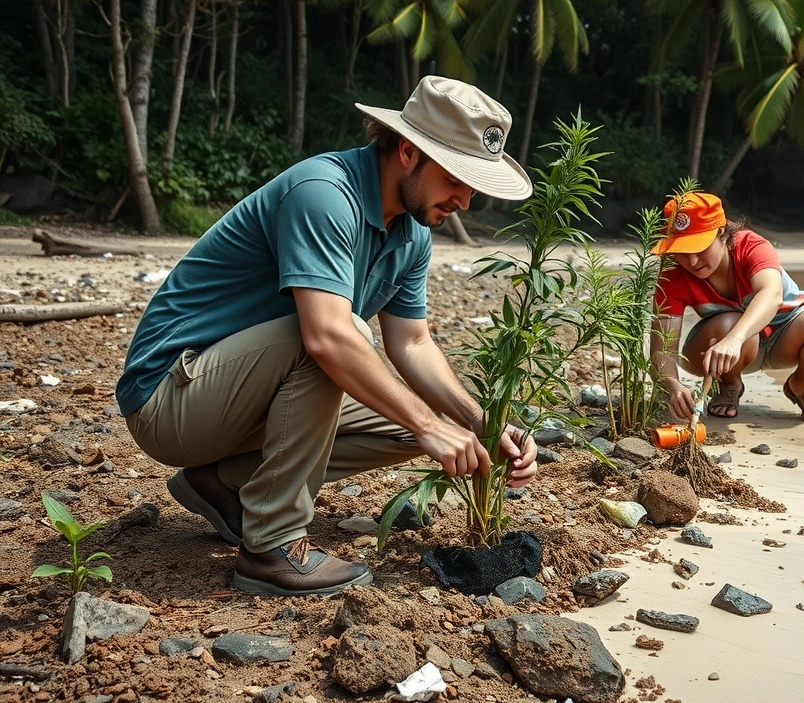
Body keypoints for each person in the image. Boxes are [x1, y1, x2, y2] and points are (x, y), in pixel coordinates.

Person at [116, 76, 539, 596]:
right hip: (170, 399)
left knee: (420, 429)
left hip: (237, 397)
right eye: (458, 178)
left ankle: (225, 484)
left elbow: (412, 344)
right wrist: (430, 422)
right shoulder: (324, 193)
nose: (466, 200)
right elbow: (326, 338)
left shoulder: (412, 232)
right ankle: (271, 547)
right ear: (408, 151)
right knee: (341, 338)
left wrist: (478, 422)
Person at [649, 192, 804, 425]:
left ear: (722, 233)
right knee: (729, 322)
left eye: (700, 247)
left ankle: (800, 386)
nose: (692, 262)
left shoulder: (751, 246)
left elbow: (771, 295)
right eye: (682, 251)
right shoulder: (673, 272)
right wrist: (672, 384)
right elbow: (662, 347)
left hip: (784, 336)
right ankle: (730, 384)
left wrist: (734, 339)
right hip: (718, 350)